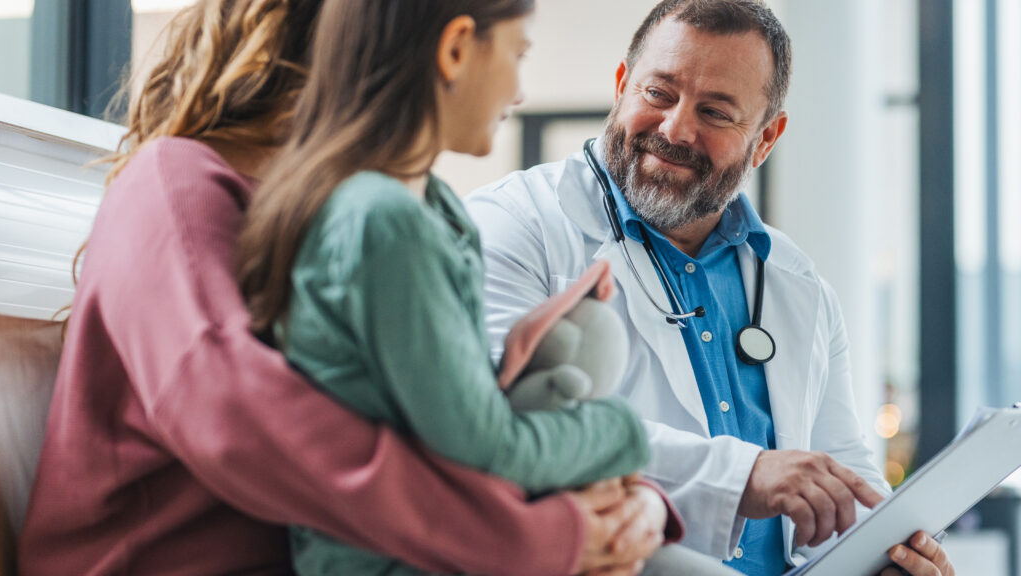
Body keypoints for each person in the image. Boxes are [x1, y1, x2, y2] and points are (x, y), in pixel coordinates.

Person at [17, 1, 676, 574]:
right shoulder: (175, 187)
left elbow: (439, 419)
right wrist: (542, 537)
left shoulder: (364, 212)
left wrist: (633, 499)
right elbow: (246, 426)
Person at [465, 1, 955, 575]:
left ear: (766, 138)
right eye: (658, 93)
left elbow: (841, 471)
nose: (676, 129)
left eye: (716, 112)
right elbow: (510, 426)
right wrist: (744, 476)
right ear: (623, 84)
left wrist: (889, 554)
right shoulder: (511, 226)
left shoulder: (797, 283)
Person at [232, 1, 695, 574]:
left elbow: (442, 412)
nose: (520, 92)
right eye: (517, 55)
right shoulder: (382, 220)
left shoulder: (435, 208)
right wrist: (621, 431)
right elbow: (487, 449)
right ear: (454, 50)